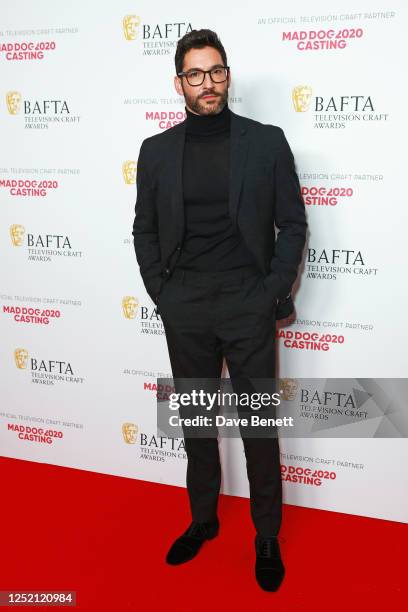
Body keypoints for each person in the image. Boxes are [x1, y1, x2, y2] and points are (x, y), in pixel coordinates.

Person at [132, 29, 307, 592]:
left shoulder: (266, 142)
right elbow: (145, 231)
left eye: (216, 71)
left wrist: (270, 291)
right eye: (195, 74)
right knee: (197, 424)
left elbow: (293, 224)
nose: (207, 83)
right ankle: (203, 520)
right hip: (185, 304)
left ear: (227, 74)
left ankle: (266, 534)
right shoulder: (156, 152)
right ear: (178, 82)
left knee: (258, 425)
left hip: (247, 303)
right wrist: (164, 293)